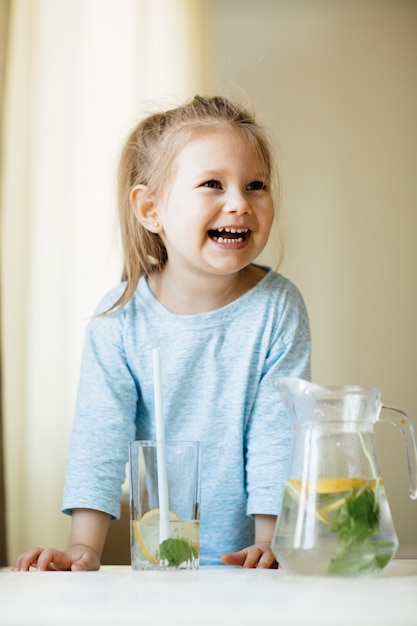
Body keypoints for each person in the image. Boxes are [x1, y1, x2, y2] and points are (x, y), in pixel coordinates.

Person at [13, 94, 311, 571]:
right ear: (150, 209)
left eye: (256, 185)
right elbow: (99, 442)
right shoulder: (119, 319)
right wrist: (83, 550)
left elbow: (277, 435)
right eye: (212, 183)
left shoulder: (278, 307)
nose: (239, 203)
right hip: (161, 570)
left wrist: (270, 543)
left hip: (250, 569)